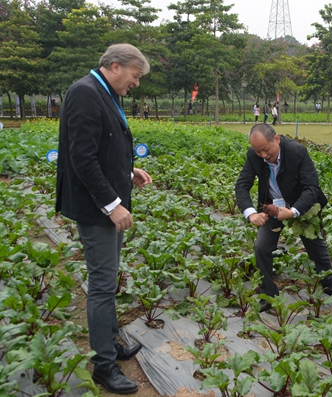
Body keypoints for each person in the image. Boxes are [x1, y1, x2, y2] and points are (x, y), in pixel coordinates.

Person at [56, 43, 152, 394]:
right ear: (115, 66)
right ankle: (103, 365)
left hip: (109, 204)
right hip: (97, 209)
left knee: (108, 279)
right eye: (135, 76)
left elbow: (104, 147)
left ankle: (110, 343)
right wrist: (112, 204)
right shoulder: (85, 93)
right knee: (100, 285)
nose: (136, 84)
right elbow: (82, 158)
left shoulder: (102, 92)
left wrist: (128, 173)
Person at [235, 124, 332, 312]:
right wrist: (251, 213)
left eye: (266, 150)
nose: (263, 156)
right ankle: (268, 295)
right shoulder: (254, 156)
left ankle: (331, 290)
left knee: (315, 246)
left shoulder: (297, 152)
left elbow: (312, 188)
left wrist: (293, 211)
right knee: (261, 247)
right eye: (258, 151)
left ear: (276, 139)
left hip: (302, 205)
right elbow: (242, 185)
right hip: (272, 207)